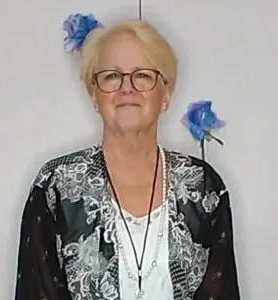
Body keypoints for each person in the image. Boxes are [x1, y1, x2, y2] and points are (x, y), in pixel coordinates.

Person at [14, 14, 240, 300]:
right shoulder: (55, 187)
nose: (126, 88)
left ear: (166, 93)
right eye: (112, 76)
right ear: (95, 95)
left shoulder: (202, 186)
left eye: (143, 75)